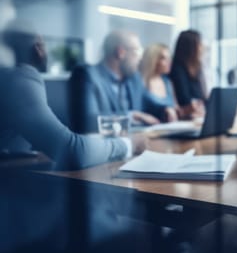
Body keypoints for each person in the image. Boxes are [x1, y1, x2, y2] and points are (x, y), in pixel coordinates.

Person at [0, 25, 145, 170]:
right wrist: (127, 144)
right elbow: (71, 151)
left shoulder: (8, 78)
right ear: (38, 49)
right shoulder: (19, 78)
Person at [69, 30, 175, 133]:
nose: (140, 58)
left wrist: (164, 110)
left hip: (135, 145)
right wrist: (130, 116)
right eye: (137, 51)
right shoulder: (86, 75)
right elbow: (87, 120)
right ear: (121, 52)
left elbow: (148, 104)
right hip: (103, 147)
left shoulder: (134, 78)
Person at [169, 29, 207, 119]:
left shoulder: (197, 68)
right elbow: (185, 100)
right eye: (199, 44)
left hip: (197, 116)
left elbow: (202, 97)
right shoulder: (177, 69)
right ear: (191, 48)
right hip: (184, 118)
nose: (202, 48)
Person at [139, 43, 178, 117]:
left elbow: (176, 109)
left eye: (169, 58)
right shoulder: (140, 82)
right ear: (153, 60)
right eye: (164, 58)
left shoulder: (167, 82)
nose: (169, 62)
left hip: (168, 126)